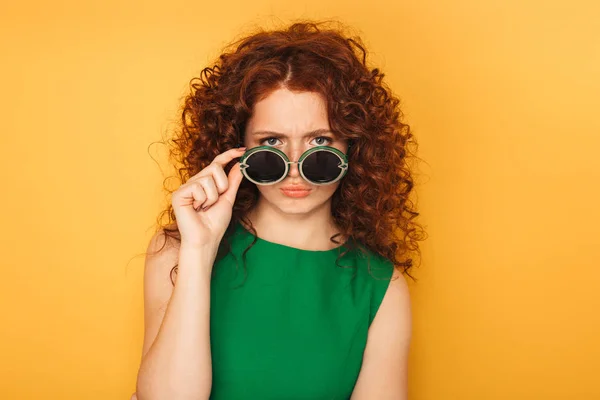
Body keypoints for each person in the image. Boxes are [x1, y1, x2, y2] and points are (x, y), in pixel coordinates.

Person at [132, 19, 425, 400]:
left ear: (353, 148)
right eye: (272, 142)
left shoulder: (378, 286)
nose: (294, 170)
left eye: (320, 141)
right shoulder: (176, 251)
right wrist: (199, 253)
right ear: (238, 148)